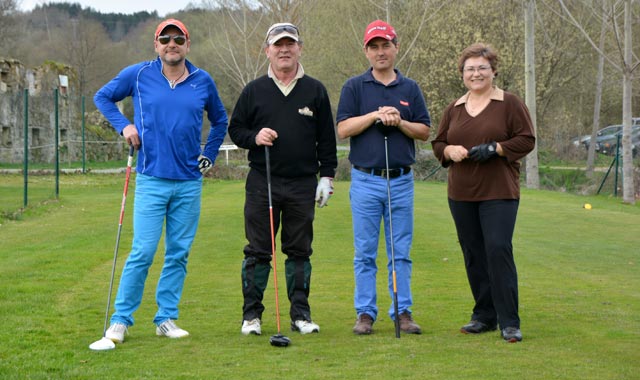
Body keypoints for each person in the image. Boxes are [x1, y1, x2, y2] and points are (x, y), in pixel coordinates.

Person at [94, 18, 228, 344]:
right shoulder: (139, 75)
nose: (172, 44)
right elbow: (102, 97)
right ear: (156, 44)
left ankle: (165, 318)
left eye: (178, 39)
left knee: (178, 253)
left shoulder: (202, 80)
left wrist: (209, 153)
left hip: (188, 181)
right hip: (151, 179)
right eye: (165, 39)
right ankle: (120, 320)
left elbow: (220, 119)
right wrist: (124, 126)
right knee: (142, 251)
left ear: (187, 44)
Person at [228, 22, 337, 336]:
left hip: (303, 183)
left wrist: (326, 177)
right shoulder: (254, 90)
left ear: (299, 48)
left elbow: (327, 141)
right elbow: (236, 131)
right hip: (263, 182)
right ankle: (251, 316)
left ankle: (301, 314)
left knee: (299, 250)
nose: (284, 50)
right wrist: (255, 136)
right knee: (259, 251)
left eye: (290, 44)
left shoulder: (315, 90)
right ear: (268, 51)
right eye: (278, 45)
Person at [431, 43, 535, 343]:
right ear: (462, 74)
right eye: (470, 69)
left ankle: (509, 321)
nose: (476, 73)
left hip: (498, 192)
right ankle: (484, 316)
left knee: (498, 249)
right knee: (474, 254)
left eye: (481, 68)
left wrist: (497, 148)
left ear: (493, 71)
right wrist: (449, 150)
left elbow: (527, 139)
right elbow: (438, 143)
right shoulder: (454, 108)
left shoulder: (510, 103)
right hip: (461, 193)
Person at [336, 20, 430, 335]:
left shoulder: (410, 88)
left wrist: (399, 121)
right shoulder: (354, 86)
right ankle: (365, 313)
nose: (380, 52)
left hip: (401, 181)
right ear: (367, 51)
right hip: (365, 180)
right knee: (364, 252)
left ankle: (402, 311)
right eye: (374, 47)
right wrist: (376, 115)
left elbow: (425, 131)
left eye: (385, 46)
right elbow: (343, 128)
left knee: (399, 251)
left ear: (396, 48)